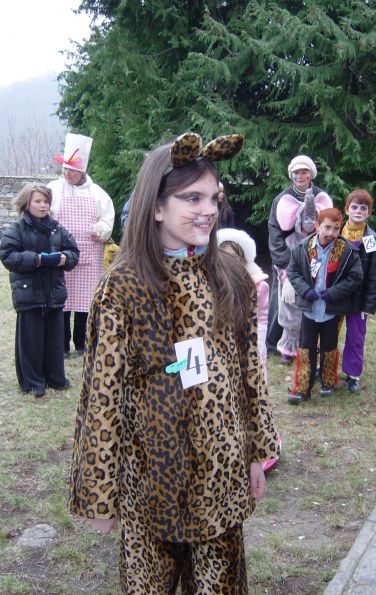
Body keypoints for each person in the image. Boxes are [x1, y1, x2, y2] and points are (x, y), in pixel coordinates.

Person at [69, 132, 278, 594]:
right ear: (157, 207)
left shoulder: (231, 277)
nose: (208, 210)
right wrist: (100, 495)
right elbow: (102, 398)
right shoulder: (124, 287)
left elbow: (251, 376)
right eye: (192, 198)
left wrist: (257, 452)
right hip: (152, 488)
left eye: (214, 198)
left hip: (221, 482)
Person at [0, 185, 79, 398]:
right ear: (27, 203)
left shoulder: (57, 228)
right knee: (31, 341)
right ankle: (33, 382)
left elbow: (74, 252)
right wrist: (37, 259)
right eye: (38, 201)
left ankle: (55, 378)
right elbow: (8, 256)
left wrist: (65, 258)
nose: (43, 205)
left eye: (46, 201)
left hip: (53, 292)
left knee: (54, 340)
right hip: (29, 293)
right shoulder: (16, 229)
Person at [287, 208, 363, 404]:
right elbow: (293, 272)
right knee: (306, 348)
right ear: (317, 226)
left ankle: (327, 382)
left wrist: (333, 293)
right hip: (310, 310)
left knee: (329, 348)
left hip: (331, 311)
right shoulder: (302, 248)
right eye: (327, 227)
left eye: (336, 229)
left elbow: (355, 277)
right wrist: (305, 290)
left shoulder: (347, 251)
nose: (331, 233)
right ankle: (302, 388)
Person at [48, 133, 115, 356]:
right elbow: (44, 215)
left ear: (82, 172)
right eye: (65, 169)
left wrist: (101, 230)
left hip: (89, 255)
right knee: (62, 301)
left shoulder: (97, 193)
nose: (67, 174)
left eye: (72, 170)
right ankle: (61, 343)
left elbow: (107, 219)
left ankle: (82, 342)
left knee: (86, 303)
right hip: (61, 255)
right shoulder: (53, 189)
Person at [267, 154, 331, 362]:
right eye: (296, 172)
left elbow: (329, 228)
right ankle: (275, 344)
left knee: (314, 301)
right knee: (283, 302)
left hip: (315, 258)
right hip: (287, 258)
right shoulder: (281, 200)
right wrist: (285, 268)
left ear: (311, 174)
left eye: (304, 172)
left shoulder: (321, 197)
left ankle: (309, 344)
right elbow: (275, 235)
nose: (300, 176)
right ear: (291, 175)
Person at [340, 189, 376, 392]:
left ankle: (352, 375)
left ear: (369, 212)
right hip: (335, 295)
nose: (358, 211)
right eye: (354, 207)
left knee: (356, 337)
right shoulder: (335, 232)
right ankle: (324, 369)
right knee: (327, 334)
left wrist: (369, 305)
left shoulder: (372, 240)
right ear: (347, 209)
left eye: (363, 208)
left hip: (358, 300)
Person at [217, 227, 269, 380]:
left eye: (235, 257)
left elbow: (262, 318)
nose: (231, 262)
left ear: (244, 260)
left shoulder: (258, 287)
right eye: (225, 256)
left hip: (247, 341)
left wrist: (258, 345)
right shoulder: (212, 283)